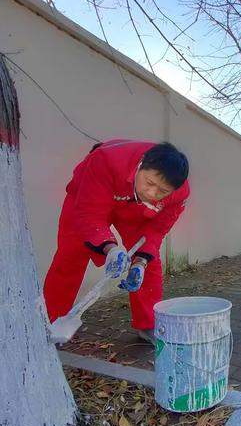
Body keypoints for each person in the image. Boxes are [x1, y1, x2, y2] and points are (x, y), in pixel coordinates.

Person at [43, 139, 190, 344]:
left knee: (150, 264)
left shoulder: (179, 194)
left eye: (162, 191)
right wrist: (111, 249)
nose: (152, 193)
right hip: (90, 193)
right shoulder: (106, 160)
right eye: (149, 183)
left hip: (135, 208)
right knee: (71, 255)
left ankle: (148, 323)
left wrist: (140, 263)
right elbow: (89, 214)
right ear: (141, 165)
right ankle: (50, 322)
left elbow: (156, 231)